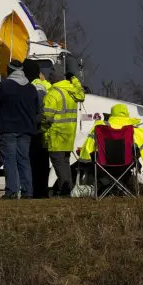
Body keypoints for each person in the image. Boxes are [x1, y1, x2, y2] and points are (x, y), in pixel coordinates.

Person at [0, 60, 39, 199]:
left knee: (9, 160)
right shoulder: (31, 88)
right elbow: (36, 109)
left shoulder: (3, 86)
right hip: (26, 130)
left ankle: (11, 192)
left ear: (9, 71)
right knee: (24, 160)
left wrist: (1, 118)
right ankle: (27, 192)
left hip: (7, 129)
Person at [79, 103, 143, 193]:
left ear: (112, 114)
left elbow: (88, 145)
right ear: (126, 114)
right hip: (126, 164)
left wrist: (84, 161)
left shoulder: (100, 128)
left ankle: (105, 186)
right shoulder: (134, 130)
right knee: (135, 153)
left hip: (103, 163)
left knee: (96, 160)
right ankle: (120, 187)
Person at [42, 67, 85, 197]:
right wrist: (74, 79)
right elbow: (81, 93)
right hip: (68, 135)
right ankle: (67, 190)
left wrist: (41, 130)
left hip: (56, 135)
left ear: (53, 80)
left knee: (59, 165)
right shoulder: (71, 91)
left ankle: (65, 191)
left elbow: (46, 117)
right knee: (65, 163)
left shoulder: (53, 94)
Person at [23, 59, 51, 198]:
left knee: (37, 162)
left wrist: (34, 122)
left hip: (37, 131)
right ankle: (40, 191)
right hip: (40, 130)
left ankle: (39, 192)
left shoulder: (36, 86)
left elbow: (40, 109)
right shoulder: (41, 84)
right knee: (40, 163)